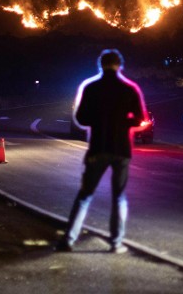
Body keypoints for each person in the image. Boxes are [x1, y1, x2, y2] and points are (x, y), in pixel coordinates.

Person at [56, 49, 148, 254]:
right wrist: (124, 122)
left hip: (98, 148)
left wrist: (99, 120)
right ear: (120, 65)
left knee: (85, 195)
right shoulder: (129, 89)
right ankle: (116, 243)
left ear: (100, 65)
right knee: (119, 197)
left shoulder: (90, 87)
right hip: (122, 150)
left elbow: (80, 119)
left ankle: (68, 240)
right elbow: (141, 118)